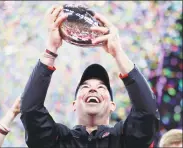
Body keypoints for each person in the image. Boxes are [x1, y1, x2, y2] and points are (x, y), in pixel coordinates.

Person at [20, 5, 160, 148]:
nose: (93, 90)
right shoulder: (58, 140)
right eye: (85, 87)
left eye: (101, 87)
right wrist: (51, 49)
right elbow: (30, 111)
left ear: (112, 105)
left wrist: (118, 52)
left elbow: (147, 113)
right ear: (74, 104)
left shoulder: (125, 139)